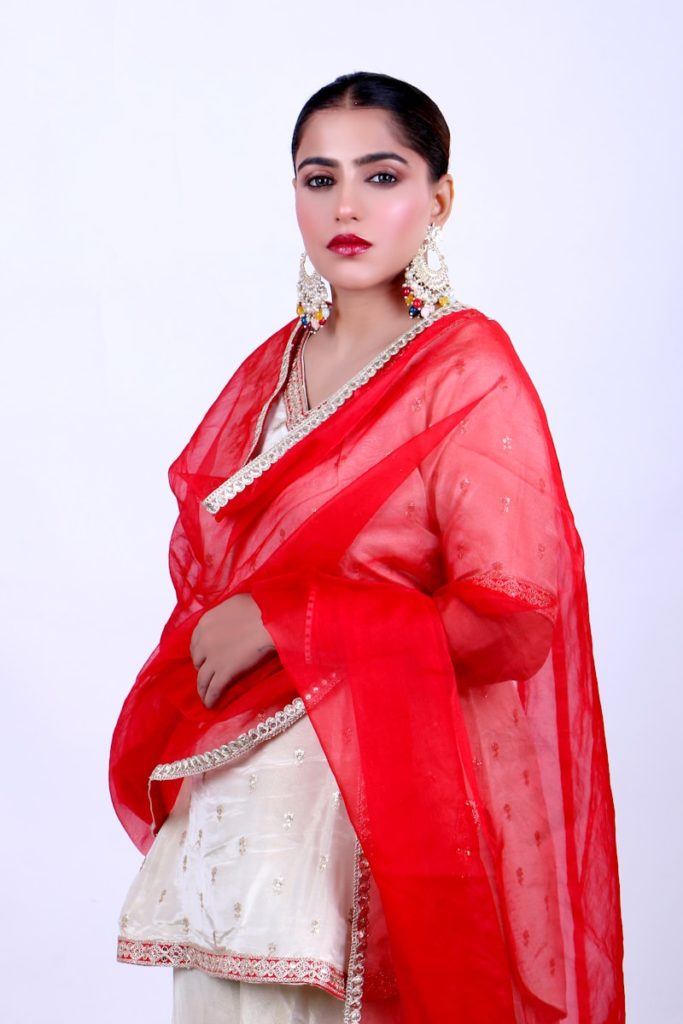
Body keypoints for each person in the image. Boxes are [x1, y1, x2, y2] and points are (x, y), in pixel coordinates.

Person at [110, 72, 625, 1024]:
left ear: (437, 199)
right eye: (318, 179)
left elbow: (511, 619)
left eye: (379, 176)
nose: (345, 207)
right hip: (231, 809)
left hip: (369, 810)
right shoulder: (273, 368)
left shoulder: (465, 372)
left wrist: (287, 620)